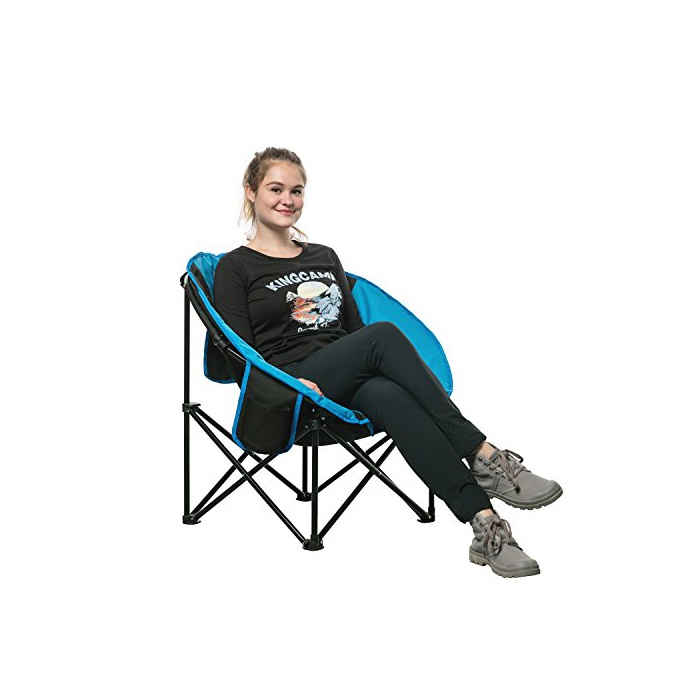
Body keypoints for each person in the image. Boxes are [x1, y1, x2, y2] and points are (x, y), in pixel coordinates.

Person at [213, 147, 563, 578]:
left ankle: (484, 523)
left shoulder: (323, 256)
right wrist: (290, 382)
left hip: (343, 381)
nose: (288, 200)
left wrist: (375, 367)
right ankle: (482, 452)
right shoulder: (235, 267)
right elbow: (239, 354)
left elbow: (353, 332)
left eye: (297, 191)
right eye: (276, 189)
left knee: (389, 395)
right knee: (382, 336)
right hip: (290, 391)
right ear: (251, 191)